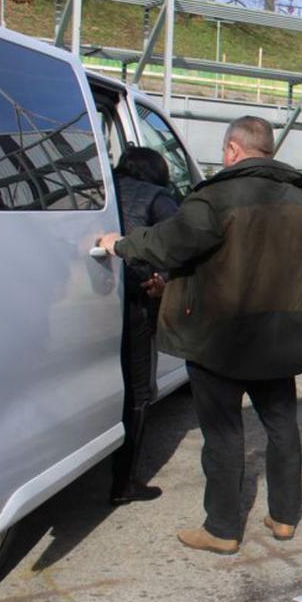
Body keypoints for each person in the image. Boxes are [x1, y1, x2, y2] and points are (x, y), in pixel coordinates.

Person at [95, 116, 302, 554]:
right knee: (282, 427)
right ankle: (284, 517)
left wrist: (118, 244)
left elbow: (166, 245)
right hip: (281, 337)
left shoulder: (214, 199)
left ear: (233, 151)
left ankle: (222, 528)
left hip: (220, 337)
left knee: (223, 433)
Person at [109, 148, 179, 505]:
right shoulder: (157, 197)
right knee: (137, 392)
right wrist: (163, 281)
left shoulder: (98, 191)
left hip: (94, 303)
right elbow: (180, 244)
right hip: (136, 304)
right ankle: (124, 483)